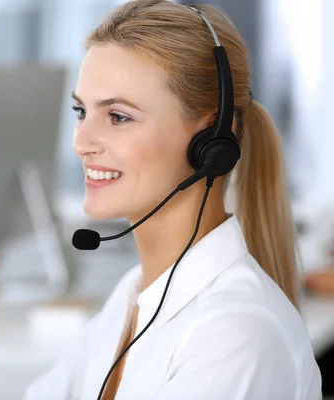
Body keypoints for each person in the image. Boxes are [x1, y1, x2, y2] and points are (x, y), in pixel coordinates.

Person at [25, 1, 321, 399]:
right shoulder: (132, 295)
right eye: (82, 111)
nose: (80, 142)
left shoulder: (236, 333)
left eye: (118, 116)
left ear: (212, 140)